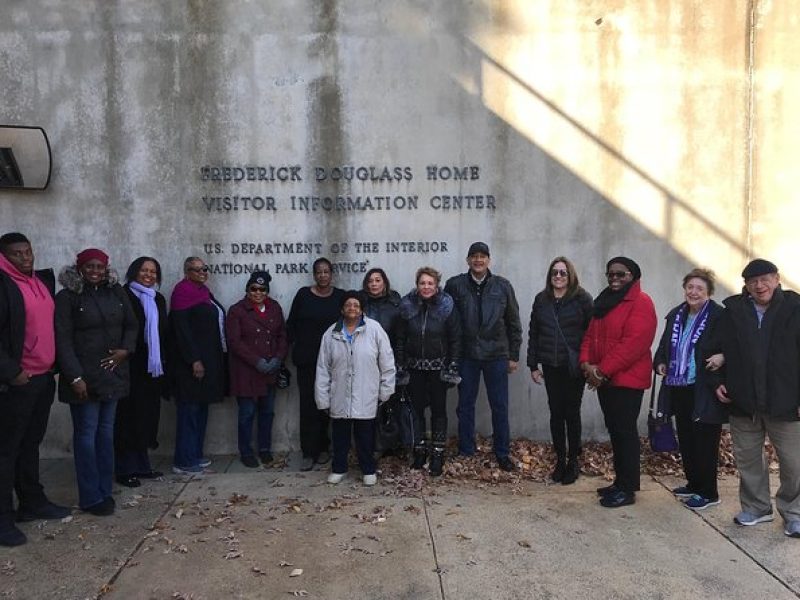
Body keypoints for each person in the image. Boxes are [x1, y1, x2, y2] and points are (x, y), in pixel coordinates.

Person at [708, 259, 800, 536]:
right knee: (748, 460)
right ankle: (757, 508)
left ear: (776, 279)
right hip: (743, 402)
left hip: (786, 402)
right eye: (752, 282)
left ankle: (794, 513)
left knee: (794, 463)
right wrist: (717, 382)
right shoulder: (733, 311)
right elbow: (714, 349)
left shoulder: (795, 308)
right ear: (746, 285)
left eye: (765, 279)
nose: (759, 286)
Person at [55, 248, 138, 516]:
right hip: (83, 378)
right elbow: (63, 340)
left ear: (106, 268)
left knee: (105, 434)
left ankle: (105, 490)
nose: (95, 271)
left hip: (112, 375)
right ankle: (90, 496)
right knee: (86, 436)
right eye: (89, 266)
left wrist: (126, 350)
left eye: (100, 267)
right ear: (79, 268)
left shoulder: (116, 292)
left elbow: (131, 325)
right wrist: (74, 376)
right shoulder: (67, 297)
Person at [0, 233, 70, 547]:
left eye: (28, 252)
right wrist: (12, 372)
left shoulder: (39, 281)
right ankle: (3, 518)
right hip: (17, 382)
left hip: (42, 379)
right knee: (6, 451)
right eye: (18, 254)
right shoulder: (4, 284)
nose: (26, 258)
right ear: (5, 256)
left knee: (30, 444)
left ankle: (32, 501)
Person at [580, 256, 656, 508]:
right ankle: (620, 481)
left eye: (620, 274)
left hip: (626, 381)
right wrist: (586, 365)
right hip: (605, 380)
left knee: (625, 433)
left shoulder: (641, 303)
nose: (614, 278)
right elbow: (590, 336)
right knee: (616, 432)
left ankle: (628, 488)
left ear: (632, 276)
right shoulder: (604, 302)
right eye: (610, 274)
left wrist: (601, 371)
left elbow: (633, 344)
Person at [445, 242, 522, 471]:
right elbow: (449, 322)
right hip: (467, 355)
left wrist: (513, 355)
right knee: (465, 405)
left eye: (482, 256)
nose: (478, 260)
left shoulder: (502, 286)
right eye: (474, 256)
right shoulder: (455, 285)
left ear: (489, 260)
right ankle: (466, 449)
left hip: (496, 354)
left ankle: (502, 453)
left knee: (499, 405)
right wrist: (452, 356)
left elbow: (513, 322)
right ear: (468, 260)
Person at [654, 268, 726, 510]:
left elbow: (733, 345)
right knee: (687, 438)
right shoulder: (677, 314)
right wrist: (661, 362)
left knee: (705, 441)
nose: (693, 292)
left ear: (708, 293)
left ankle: (709, 492)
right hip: (679, 386)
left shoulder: (718, 316)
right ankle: (694, 483)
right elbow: (664, 345)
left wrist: (722, 356)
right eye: (690, 287)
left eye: (699, 289)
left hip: (704, 387)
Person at [315, 291, 395, 485]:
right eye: (348, 305)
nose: (352, 308)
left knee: (365, 436)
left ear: (362, 310)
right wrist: (323, 398)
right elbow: (323, 368)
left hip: (366, 393)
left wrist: (385, 391)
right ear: (342, 309)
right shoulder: (331, 333)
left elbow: (387, 362)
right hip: (340, 394)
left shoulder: (374, 329)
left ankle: (368, 469)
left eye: (356, 305)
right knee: (340, 436)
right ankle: (339, 468)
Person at [527, 257, 593, 485]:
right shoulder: (541, 299)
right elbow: (534, 333)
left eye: (563, 273)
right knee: (556, 413)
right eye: (554, 272)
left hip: (573, 366)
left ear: (570, 275)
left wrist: (588, 362)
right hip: (550, 365)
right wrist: (533, 365)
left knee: (571, 413)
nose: (558, 276)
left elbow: (591, 333)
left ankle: (574, 460)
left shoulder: (582, 299)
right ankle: (561, 459)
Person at [396, 267, 461, 476]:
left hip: (438, 368)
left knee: (438, 411)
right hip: (414, 367)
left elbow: (455, 338)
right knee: (416, 411)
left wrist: (452, 364)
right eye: (422, 283)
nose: (426, 287)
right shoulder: (407, 306)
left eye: (430, 283)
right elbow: (400, 338)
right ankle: (420, 449)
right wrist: (400, 364)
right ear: (417, 284)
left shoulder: (446, 306)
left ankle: (438, 453)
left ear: (437, 285)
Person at [287, 258, 345, 471]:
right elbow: (291, 324)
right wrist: (294, 348)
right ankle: (308, 452)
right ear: (314, 274)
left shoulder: (340, 296)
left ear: (332, 274)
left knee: (328, 406)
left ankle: (324, 447)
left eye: (326, 271)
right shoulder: (303, 295)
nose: (323, 275)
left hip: (333, 361)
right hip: (308, 360)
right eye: (319, 272)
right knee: (309, 405)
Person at [169, 256, 226, 475]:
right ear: (187, 272)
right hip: (190, 365)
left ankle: (194, 454)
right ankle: (183, 460)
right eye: (197, 270)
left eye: (205, 269)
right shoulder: (182, 294)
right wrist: (194, 359)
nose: (202, 273)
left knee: (200, 410)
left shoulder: (203, 293)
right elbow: (182, 331)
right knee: (189, 412)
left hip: (207, 361)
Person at [115, 256, 168, 488]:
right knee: (127, 418)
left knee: (146, 417)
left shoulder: (158, 299)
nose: (149, 275)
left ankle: (142, 465)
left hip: (152, 368)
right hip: (130, 366)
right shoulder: (123, 295)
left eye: (153, 271)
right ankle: (125, 468)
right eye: (144, 270)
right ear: (134, 271)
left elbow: (163, 333)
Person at [226, 271, 287, 468]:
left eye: (262, 290)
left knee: (267, 412)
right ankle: (246, 451)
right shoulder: (237, 310)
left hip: (269, 370)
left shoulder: (275, 308)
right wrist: (257, 361)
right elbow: (234, 342)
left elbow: (282, 336)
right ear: (247, 289)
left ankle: (264, 449)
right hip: (247, 371)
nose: (258, 293)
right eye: (254, 289)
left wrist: (278, 358)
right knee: (247, 414)